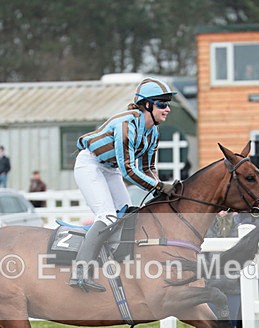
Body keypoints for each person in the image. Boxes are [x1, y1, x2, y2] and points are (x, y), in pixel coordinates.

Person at [68, 77, 177, 292]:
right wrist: (158, 188)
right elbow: (128, 169)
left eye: (168, 104)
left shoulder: (153, 132)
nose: (168, 109)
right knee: (107, 216)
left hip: (110, 169)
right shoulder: (127, 124)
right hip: (90, 165)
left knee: (128, 214)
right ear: (147, 105)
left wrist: (160, 188)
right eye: (162, 104)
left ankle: (118, 264)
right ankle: (79, 272)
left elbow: (147, 169)